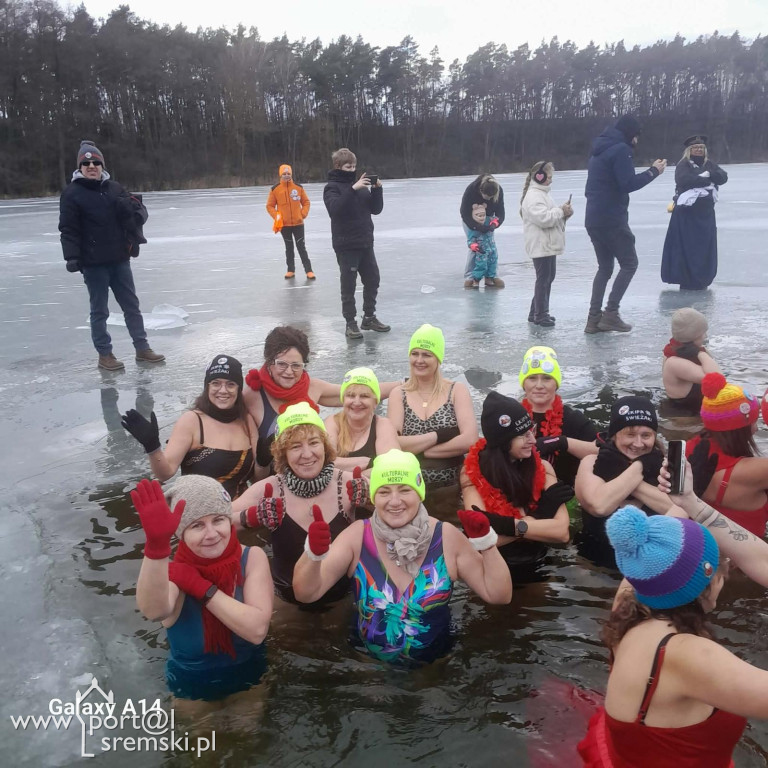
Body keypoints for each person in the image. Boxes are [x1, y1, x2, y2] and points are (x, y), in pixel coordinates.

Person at [577, 505, 768, 767]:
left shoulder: (628, 608)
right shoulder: (689, 656)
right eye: (723, 566)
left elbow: (645, 554)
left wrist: (687, 500)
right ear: (709, 579)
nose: (726, 572)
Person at [292, 449, 512, 665]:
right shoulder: (357, 536)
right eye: (384, 491)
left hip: (434, 670)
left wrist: (487, 544)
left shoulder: (446, 537)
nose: (394, 501)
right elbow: (307, 594)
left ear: (419, 492)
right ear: (374, 496)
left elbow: (499, 595)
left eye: (404, 490)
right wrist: (313, 554)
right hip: (367, 666)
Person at [133, 476, 272, 700]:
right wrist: (156, 547)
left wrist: (200, 587)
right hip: (191, 684)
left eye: (218, 520)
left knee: (249, 733)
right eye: (197, 525)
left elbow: (256, 631)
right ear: (181, 533)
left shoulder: (252, 557)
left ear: (229, 520)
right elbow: (154, 611)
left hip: (250, 675)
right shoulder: (173, 573)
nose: (211, 534)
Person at [232, 403, 366, 605]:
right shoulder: (270, 489)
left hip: (342, 600)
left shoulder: (348, 483)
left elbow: (399, 507)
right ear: (282, 453)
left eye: (313, 443)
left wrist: (370, 500)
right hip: (286, 602)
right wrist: (251, 517)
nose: (307, 454)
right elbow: (216, 521)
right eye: (295, 446)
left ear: (325, 445)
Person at [59, 140, 164, 370]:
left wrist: (135, 220)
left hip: (119, 260)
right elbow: (68, 229)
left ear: (102, 165)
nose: (92, 166)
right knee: (100, 311)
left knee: (131, 306)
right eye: (86, 163)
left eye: (96, 162)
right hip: (93, 263)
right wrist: (71, 257)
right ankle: (105, 355)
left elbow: (136, 211)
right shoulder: (72, 194)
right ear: (80, 167)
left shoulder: (114, 188)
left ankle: (142, 348)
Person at [460, 392, 572, 579]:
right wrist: (539, 517)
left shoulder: (543, 467)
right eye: (523, 435)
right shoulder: (474, 475)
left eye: (531, 430)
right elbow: (480, 541)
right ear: (503, 442)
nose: (533, 440)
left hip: (539, 561)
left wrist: (508, 527)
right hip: (496, 568)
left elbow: (562, 533)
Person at [121, 355, 256, 499]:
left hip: (240, 512)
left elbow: (257, 478)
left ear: (238, 388)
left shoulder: (246, 421)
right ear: (207, 386)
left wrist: (263, 461)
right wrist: (153, 448)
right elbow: (165, 474)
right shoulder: (192, 421)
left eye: (230, 384)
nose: (223, 390)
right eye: (216, 383)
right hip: (199, 514)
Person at [584, 115, 667, 334]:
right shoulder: (621, 149)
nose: (637, 142)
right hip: (612, 219)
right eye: (637, 136)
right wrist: (654, 171)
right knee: (629, 263)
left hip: (593, 218)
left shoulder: (598, 150)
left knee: (605, 268)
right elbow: (628, 183)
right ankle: (611, 313)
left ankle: (593, 320)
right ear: (632, 134)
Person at [387, 325, 478, 518]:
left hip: (452, 489)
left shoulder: (456, 391)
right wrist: (439, 436)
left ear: (438, 358)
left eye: (427, 355)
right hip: (409, 490)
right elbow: (393, 444)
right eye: (415, 354)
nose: (419, 360)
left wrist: (424, 451)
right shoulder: (399, 394)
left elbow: (470, 439)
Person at [575, 396, 673, 569]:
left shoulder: (664, 465)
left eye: (646, 435)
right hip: (596, 566)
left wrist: (632, 470)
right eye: (630, 434)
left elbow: (678, 510)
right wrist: (640, 468)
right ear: (614, 435)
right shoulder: (591, 462)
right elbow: (600, 506)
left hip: (652, 566)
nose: (638, 443)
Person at [243, 326, 345, 472]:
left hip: (313, 474)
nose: (289, 372)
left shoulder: (313, 387)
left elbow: (361, 392)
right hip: (273, 481)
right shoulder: (252, 396)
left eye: (296, 365)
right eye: (282, 364)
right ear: (269, 361)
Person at [685, 373, 767, 538]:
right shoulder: (755, 471)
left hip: (711, 551)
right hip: (748, 558)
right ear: (739, 430)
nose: (757, 429)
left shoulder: (692, 449)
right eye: (754, 422)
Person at [323, 147, 390, 339]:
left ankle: (369, 317)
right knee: (349, 285)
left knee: (373, 280)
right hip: (346, 245)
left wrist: (377, 190)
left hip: (365, 242)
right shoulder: (332, 188)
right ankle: (350, 323)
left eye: (354, 166)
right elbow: (335, 210)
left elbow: (375, 209)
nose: (352, 169)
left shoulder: (360, 187)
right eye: (348, 166)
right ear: (338, 166)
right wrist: (353, 189)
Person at [518, 346, 598, 486]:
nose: (539, 385)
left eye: (547, 378)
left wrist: (563, 442)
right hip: (521, 490)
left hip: (566, 493)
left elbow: (603, 452)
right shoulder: (513, 417)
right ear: (524, 383)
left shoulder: (573, 419)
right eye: (532, 378)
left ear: (556, 383)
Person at [661, 135, 728, 291]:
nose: (698, 150)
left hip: (705, 215)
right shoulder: (683, 165)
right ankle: (686, 278)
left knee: (704, 247)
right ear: (689, 150)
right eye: (695, 148)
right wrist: (707, 180)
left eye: (701, 148)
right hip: (687, 215)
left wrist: (709, 176)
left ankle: (703, 277)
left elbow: (723, 177)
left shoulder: (709, 164)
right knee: (687, 247)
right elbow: (683, 180)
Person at [520, 161, 573, 326]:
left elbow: (550, 215)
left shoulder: (542, 194)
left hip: (546, 245)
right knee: (543, 279)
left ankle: (535, 312)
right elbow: (543, 218)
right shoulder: (534, 196)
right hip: (541, 245)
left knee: (548, 277)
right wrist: (560, 211)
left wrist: (564, 213)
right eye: (549, 177)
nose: (551, 180)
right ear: (539, 176)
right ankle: (541, 314)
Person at [323, 367, 400, 473]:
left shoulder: (382, 425)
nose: (357, 402)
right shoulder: (333, 422)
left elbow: (391, 467)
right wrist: (369, 462)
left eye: (364, 396)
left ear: (375, 402)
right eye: (351, 395)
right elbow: (323, 463)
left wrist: (343, 471)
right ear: (343, 400)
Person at [661, 308, 722, 415]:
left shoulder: (685, 351)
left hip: (697, 413)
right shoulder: (674, 362)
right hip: (684, 420)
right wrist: (700, 353)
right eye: (703, 333)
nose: (706, 336)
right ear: (693, 336)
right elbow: (716, 379)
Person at [265, 164, 315, 280]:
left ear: (291, 174)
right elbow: (269, 206)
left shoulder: (298, 188)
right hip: (284, 225)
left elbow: (306, 202)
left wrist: (302, 214)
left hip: (298, 224)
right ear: (280, 175)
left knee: (301, 247)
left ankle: (309, 271)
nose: (286, 176)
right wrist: (277, 217)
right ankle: (290, 270)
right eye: (284, 174)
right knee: (289, 247)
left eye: (288, 174)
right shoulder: (275, 189)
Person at [460, 173, 505, 288]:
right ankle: (470, 277)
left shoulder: (498, 191)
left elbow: (501, 213)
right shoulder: (471, 190)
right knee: (475, 247)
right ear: (481, 191)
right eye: (487, 197)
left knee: (491, 248)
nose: (489, 199)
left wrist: (495, 224)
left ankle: (492, 276)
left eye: (491, 197)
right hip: (470, 219)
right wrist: (477, 227)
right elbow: (464, 213)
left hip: (488, 219)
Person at [464, 204, 502, 288]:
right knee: (481, 265)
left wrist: (494, 224)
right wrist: (474, 246)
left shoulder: (489, 220)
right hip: (482, 251)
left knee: (492, 263)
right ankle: (476, 279)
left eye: (483, 215)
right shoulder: (473, 227)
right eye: (479, 215)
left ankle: (489, 278)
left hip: (492, 248)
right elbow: (470, 240)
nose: (481, 217)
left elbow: (496, 219)